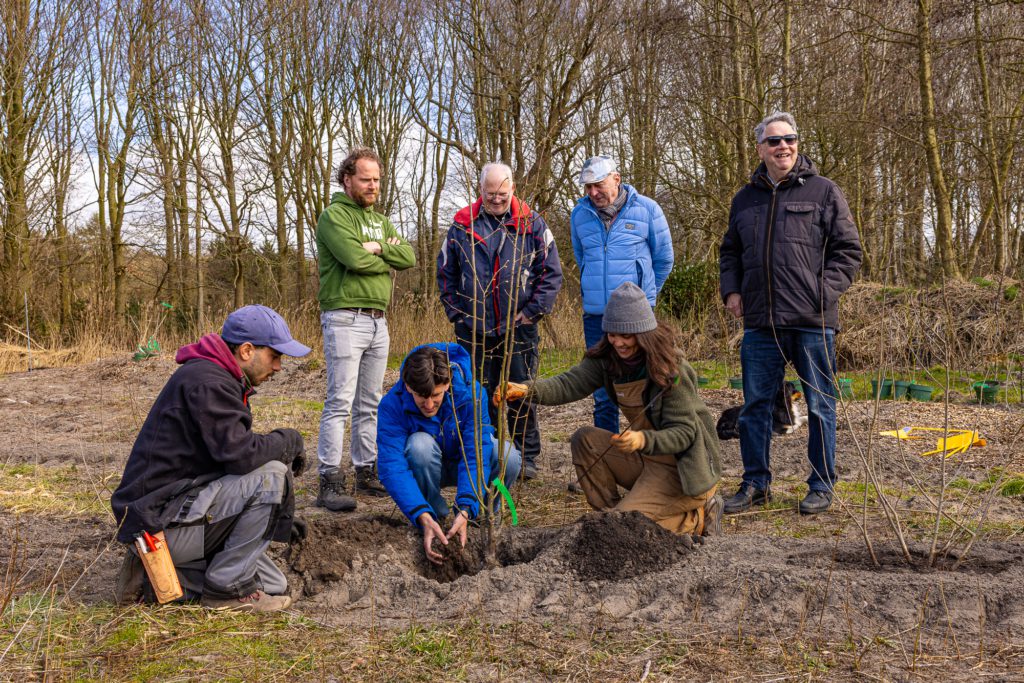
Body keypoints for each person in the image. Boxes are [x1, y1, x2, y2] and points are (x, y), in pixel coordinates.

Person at [111, 305, 311, 612]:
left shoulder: (216, 376)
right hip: (158, 524)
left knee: (274, 585)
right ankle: (225, 592)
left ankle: (160, 581)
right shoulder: (207, 382)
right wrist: (289, 441)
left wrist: (270, 518)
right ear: (247, 350)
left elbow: (224, 461)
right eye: (275, 356)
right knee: (272, 474)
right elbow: (241, 455)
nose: (279, 367)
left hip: (176, 511)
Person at [718, 111, 862, 516]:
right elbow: (729, 252)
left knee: (819, 406)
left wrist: (822, 293)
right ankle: (755, 484)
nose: (783, 146)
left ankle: (820, 485)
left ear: (797, 145)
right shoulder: (745, 199)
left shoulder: (824, 192)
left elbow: (848, 253)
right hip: (761, 323)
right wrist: (731, 290)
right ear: (760, 148)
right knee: (755, 406)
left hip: (812, 322)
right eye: (774, 141)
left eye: (790, 139)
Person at [497, 283, 722, 538]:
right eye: (613, 334)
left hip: (682, 469)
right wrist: (528, 389)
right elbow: (569, 383)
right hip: (645, 458)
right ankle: (614, 519)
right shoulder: (607, 359)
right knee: (586, 441)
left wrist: (642, 439)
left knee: (630, 531)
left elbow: (685, 433)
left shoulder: (671, 370)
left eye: (626, 335)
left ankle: (699, 516)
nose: (619, 342)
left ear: (643, 333)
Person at [437, 162, 562, 480]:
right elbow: (445, 272)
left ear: (513, 189)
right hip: (474, 330)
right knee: (480, 394)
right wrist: (458, 314)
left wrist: (531, 313)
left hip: (519, 327)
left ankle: (527, 457)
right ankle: (488, 454)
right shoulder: (462, 224)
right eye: (490, 194)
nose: (496, 200)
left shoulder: (532, 224)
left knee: (520, 392)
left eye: (502, 194)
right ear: (481, 191)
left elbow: (549, 273)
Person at [316, 147, 416, 511]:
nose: (373, 186)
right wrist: (375, 254)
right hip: (344, 316)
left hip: (378, 320)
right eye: (366, 179)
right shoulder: (333, 217)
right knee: (340, 400)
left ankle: (366, 469)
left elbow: (408, 257)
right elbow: (355, 260)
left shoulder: (382, 220)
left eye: (376, 180)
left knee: (370, 401)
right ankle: (329, 476)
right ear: (348, 179)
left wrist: (377, 248)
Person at [376, 344, 522, 564]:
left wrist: (466, 507)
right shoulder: (392, 404)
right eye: (420, 397)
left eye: (436, 395)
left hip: (464, 464)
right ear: (407, 387)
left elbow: (477, 454)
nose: (428, 405)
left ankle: (482, 513)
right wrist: (421, 514)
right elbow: (392, 466)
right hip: (426, 467)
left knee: (508, 457)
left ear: (447, 384)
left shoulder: (472, 395)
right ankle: (435, 517)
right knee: (419, 446)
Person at [570, 155, 673, 435]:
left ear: (616, 178)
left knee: (648, 383)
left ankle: (653, 453)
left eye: (598, 185)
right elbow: (583, 260)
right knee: (603, 392)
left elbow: (664, 259)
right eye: (587, 187)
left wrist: (644, 299)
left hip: (638, 320)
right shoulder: (579, 215)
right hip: (596, 317)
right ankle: (610, 452)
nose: (593, 193)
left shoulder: (647, 209)